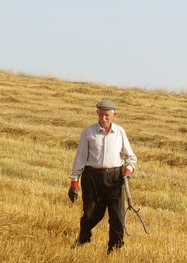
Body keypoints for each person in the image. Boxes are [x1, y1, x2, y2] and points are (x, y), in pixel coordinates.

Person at [68, 99, 137, 253]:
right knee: (91, 214)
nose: (103, 118)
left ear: (114, 115)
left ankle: (114, 248)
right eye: (101, 114)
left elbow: (131, 157)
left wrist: (128, 170)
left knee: (117, 216)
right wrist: (74, 182)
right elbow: (80, 158)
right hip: (92, 178)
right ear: (97, 113)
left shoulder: (120, 132)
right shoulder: (88, 132)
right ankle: (83, 238)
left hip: (115, 178)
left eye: (107, 115)